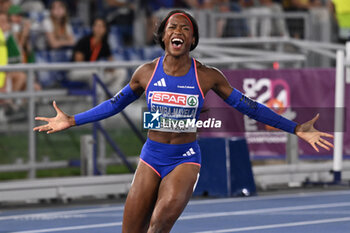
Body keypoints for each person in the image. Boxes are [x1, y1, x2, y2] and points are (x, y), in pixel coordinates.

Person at [33, 9, 334, 232]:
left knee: (158, 225)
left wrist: (295, 128)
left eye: (185, 28)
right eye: (172, 26)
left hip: (184, 158)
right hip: (151, 156)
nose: (178, 30)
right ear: (163, 36)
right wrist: (71, 120)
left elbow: (250, 107)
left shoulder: (207, 76)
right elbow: (114, 104)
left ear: (191, 39)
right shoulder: (146, 73)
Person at [69, 17, 126, 91]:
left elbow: (112, 64)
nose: (98, 29)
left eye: (101, 26)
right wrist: (99, 67)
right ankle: (99, 99)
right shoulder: (84, 41)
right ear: (93, 28)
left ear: (105, 29)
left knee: (121, 71)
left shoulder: (104, 44)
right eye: (96, 26)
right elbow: (79, 63)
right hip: (76, 71)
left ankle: (112, 95)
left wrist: (107, 68)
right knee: (95, 72)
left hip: (96, 71)